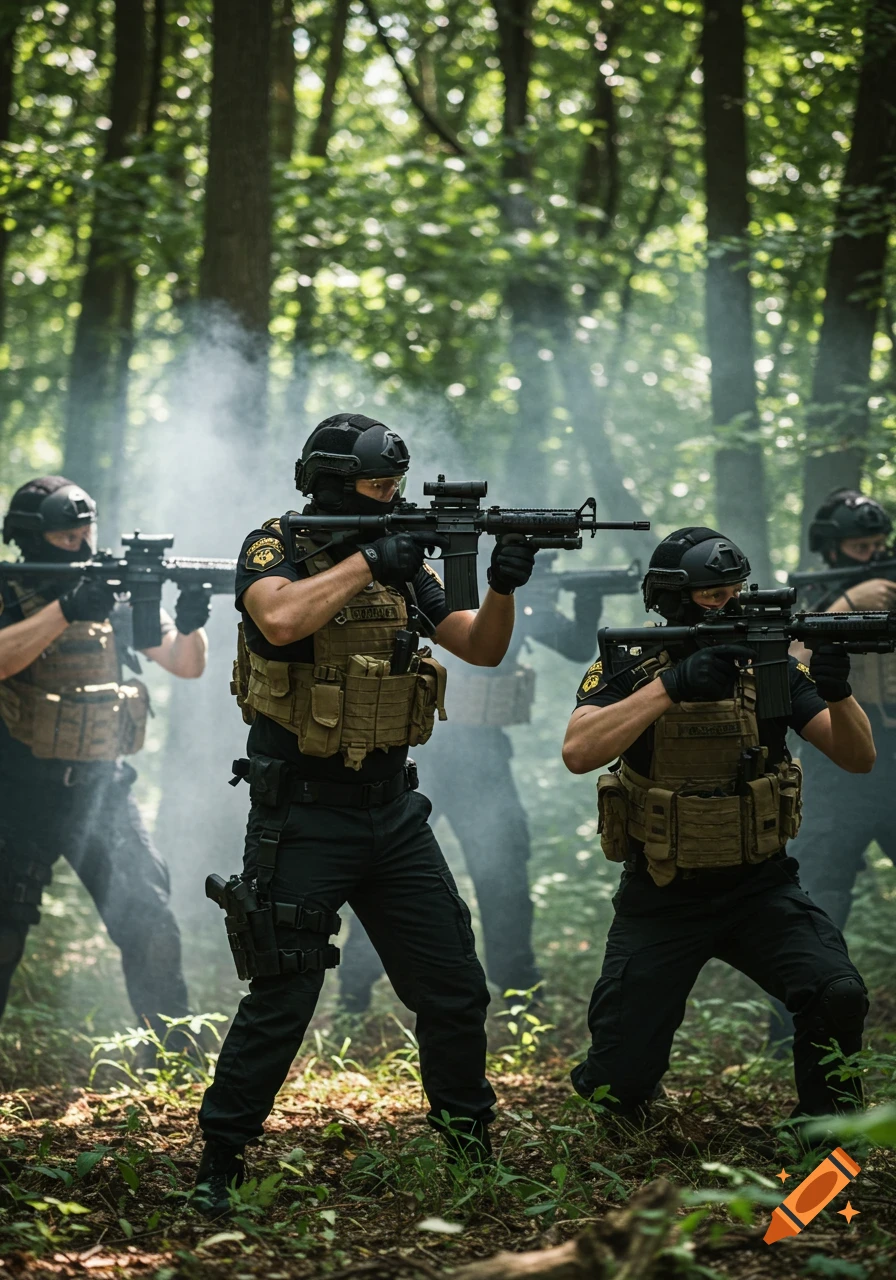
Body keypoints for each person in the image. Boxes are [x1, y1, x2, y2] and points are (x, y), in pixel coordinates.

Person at [195, 413, 536, 1215]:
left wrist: (501, 586)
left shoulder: (401, 561)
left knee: (454, 986)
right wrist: (366, 560)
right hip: (303, 815)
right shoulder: (273, 544)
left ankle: (469, 1150)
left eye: (395, 488)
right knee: (284, 997)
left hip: (392, 814)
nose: (393, 499)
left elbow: (478, 647)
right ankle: (220, 1160)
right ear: (331, 482)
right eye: (379, 487)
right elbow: (277, 618)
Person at [561, 526, 874, 1131]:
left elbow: (857, 756)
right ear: (673, 598)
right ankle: (633, 1094)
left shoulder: (770, 665)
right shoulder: (630, 663)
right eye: (711, 595)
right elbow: (579, 750)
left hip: (759, 886)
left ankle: (828, 1133)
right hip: (662, 891)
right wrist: (670, 687)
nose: (727, 605)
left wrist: (837, 690)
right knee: (615, 1084)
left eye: (734, 591)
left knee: (836, 992)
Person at [338, 564, 606, 1011]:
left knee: (503, 871)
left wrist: (585, 596)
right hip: (426, 749)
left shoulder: (520, 602)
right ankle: (354, 991)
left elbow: (577, 645)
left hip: (483, 755)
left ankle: (518, 987)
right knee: (389, 870)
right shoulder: (434, 595)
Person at [0, 476, 210, 1040]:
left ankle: (171, 1061)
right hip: (16, 794)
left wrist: (191, 621)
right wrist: (66, 608)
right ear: (32, 538)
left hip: (100, 791)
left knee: (150, 922)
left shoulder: (112, 591)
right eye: (68, 538)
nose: (84, 546)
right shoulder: (9, 590)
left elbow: (185, 664)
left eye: (87, 532)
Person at [768, 489, 896, 1046]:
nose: (871, 554)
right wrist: (851, 603)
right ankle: (791, 1029)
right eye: (858, 546)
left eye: (877, 544)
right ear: (831, 548)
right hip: (836, 764)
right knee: (815, 900)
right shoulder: (809, 598)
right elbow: (783, 665)